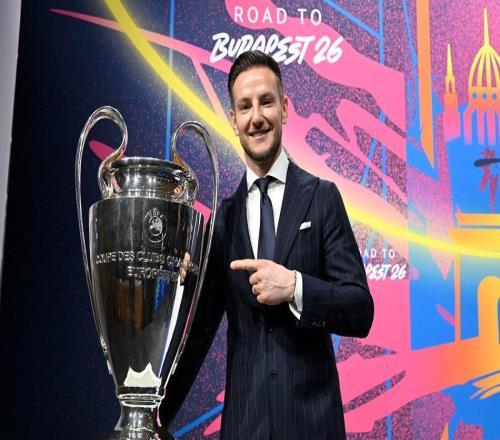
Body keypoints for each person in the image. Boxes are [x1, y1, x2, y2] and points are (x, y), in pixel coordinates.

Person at [160, 50, 374, 439]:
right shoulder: (222, 221)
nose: (256, 116)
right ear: (233, 120)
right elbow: (196, 338)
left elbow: (360, 310)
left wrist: (295, 287)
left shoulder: (322, 198)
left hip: (313, 428)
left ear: (285, 108)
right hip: (245, 428)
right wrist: (153, 420)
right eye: (245, 107)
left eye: (266, 102)